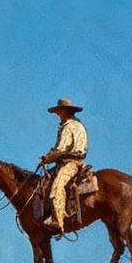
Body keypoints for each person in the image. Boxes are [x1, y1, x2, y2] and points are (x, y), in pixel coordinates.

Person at [38, 98, 88, 233]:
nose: (58, 114)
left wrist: (47, 159)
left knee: (57, 187)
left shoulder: (69, 126)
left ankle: (57, 220)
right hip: (71, 161)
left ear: (65, 110)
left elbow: (61, 149)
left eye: (59, 111)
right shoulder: (77, 124)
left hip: (71, 163)